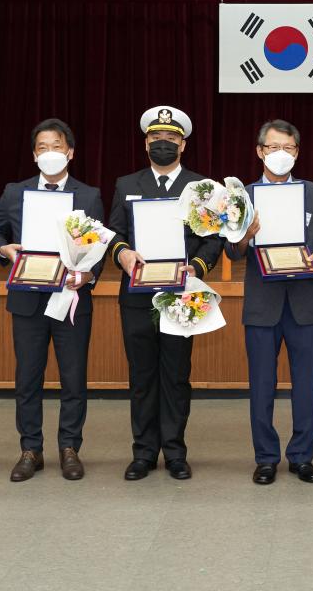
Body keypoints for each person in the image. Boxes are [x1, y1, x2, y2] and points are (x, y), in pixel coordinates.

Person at [0, 118, 105, 482]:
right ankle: (30, 449)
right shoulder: (14, 192)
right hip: (27, 300)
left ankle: (69, 448)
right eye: (42, 147)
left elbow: (98, 248)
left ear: (70, 152)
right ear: (34, 154)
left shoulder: (89, 195)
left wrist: (88, 275)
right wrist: (4, 249)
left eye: (56, 146)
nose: (49, 153)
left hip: (70, 299)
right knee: (28, 378)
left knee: (73, 378)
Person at [108, 105, 224, 482]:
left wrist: (197, 268)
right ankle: (143, 452)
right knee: (142, 377)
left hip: (182, 293)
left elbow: (212, 240)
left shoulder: (201, 187)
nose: (163, 143)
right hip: (136, 297)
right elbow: (115, 233)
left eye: (171, 138)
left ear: (183, 144)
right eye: (156, 138)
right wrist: (122, 253)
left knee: (175, 375)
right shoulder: (127, 184)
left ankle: (174, 452)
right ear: (146, 143)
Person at [226, 119, 313, 485]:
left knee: (306, 386)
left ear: (297, 153)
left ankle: (302, 457)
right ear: (260, 151)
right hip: (262, 304)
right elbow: (233, 252)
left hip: (305, 302)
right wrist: (245, 236)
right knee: (261, 385)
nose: (281, 154)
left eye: (288, 148)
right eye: (273, 147)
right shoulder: (243, 196)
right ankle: (266, 458)